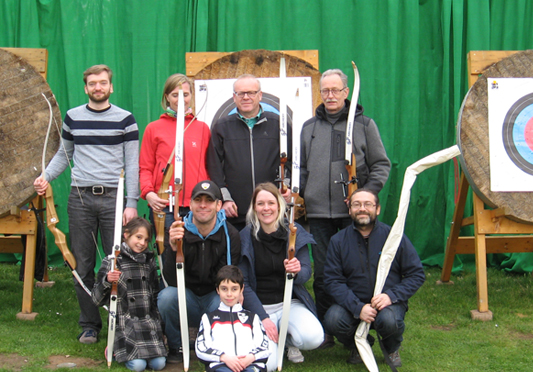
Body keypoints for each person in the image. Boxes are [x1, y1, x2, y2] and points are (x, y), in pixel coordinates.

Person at [33, 64, 139, 344]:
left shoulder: (125, 120)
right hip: (80, 198)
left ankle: (124, 322)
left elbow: (132, 163)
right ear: (86, 88)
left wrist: (131, 202)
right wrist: (44, 177)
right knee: (82, 265)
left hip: (114, 200)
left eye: (103, 83)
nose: (98, 88)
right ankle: (90, 324)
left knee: (117, 262)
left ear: (111, 87)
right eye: (93, 83)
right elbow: (62, 155)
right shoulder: (73, 118)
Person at [300, 68, 391, 344]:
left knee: (357, 272)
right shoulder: (308, 127)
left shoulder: (365, 125)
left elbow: (381, 165)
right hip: (318, 215)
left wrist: (363, 197)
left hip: (353, 216)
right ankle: (329, 329)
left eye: (335, 90)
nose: (330, 95)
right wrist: (302, 194)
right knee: (324, 274)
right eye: (325, 90)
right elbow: (302, 169)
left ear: (346, 92)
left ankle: (360, 327)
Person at [323, 189, 425, 366]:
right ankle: (359, 344)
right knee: (333, 319)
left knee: (389, 321)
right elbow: (333, 280)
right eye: (356, 204)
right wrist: (358, 307)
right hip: (353, 303)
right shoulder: (338, 241)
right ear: (349, 210)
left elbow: (416, 274)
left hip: (387, 303)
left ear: (377, 209)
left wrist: (391, 296)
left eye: (368, 204)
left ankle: (391, 348)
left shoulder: (394, 237)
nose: (362, 209)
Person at [238, 183, 324, 372]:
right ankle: (273, 342)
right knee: (267, 365)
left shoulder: (294, 233)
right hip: (260, 307)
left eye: (271, 202)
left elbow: (305, 275)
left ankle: (288, 341)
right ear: (254, 207)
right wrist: (263, 318)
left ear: (279, 205)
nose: (266, 208)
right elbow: (243, 284)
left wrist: (296, 271)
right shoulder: (245, 237)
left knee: (313, 337)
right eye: (260, 204)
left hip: (289, 304)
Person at [159, 180, 241, 363]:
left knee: (229, 299)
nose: (203, 205)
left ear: (219, 205)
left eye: (209, 200)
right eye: (198, 200)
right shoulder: (177, 231)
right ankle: (176, 345)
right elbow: (171, 280)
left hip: (213, 297)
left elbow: (227, 279)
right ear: (190, 203)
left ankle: (215, 346)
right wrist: (174, 249)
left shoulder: (231, 235)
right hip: (187, 297)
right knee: (167, 297)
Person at [207, 74, 291, 231]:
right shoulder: (222, 127)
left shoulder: (278, 124)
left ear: (260, 95)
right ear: (234, 97)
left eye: (251, 93)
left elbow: (292, 161)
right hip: (235, 211)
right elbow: (214, 166)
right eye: (241, 93)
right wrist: (225, 199)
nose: (246, 97)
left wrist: (285, 187)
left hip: (271, 211)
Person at [139, 73, 210, 239]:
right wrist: (149, 193)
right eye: (175, 95)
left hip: (197, 204)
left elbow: (209, 166)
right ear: (167, 97)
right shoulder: (153, 128)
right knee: (169, 257)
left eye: (185, 94)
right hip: (165, 204)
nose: (181, 99)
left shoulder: (202, 128)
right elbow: (145, 167)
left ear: (191, 96)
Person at [92, 217, 167, 372]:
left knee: (159, 364)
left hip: (148, 322)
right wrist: (107, 280)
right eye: (138, 237)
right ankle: (112, 349)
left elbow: (154, 294)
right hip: (126, 324)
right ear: (126, 235)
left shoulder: (149, 261)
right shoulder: (112, 261)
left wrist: (159, 323)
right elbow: (96, 299)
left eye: (146, 240)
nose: (142, 243)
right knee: (138, 366)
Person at [196, 265, 270, 372]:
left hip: (247, 363)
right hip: (223, 364)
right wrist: (223, 358)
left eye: (234, 289)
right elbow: (201, 348)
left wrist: (250, 357)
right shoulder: (209, 318)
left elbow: (265, 346)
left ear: (241, 290)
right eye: (224, 289)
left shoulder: (252, 317)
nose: (229, 294)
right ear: (217, 290)